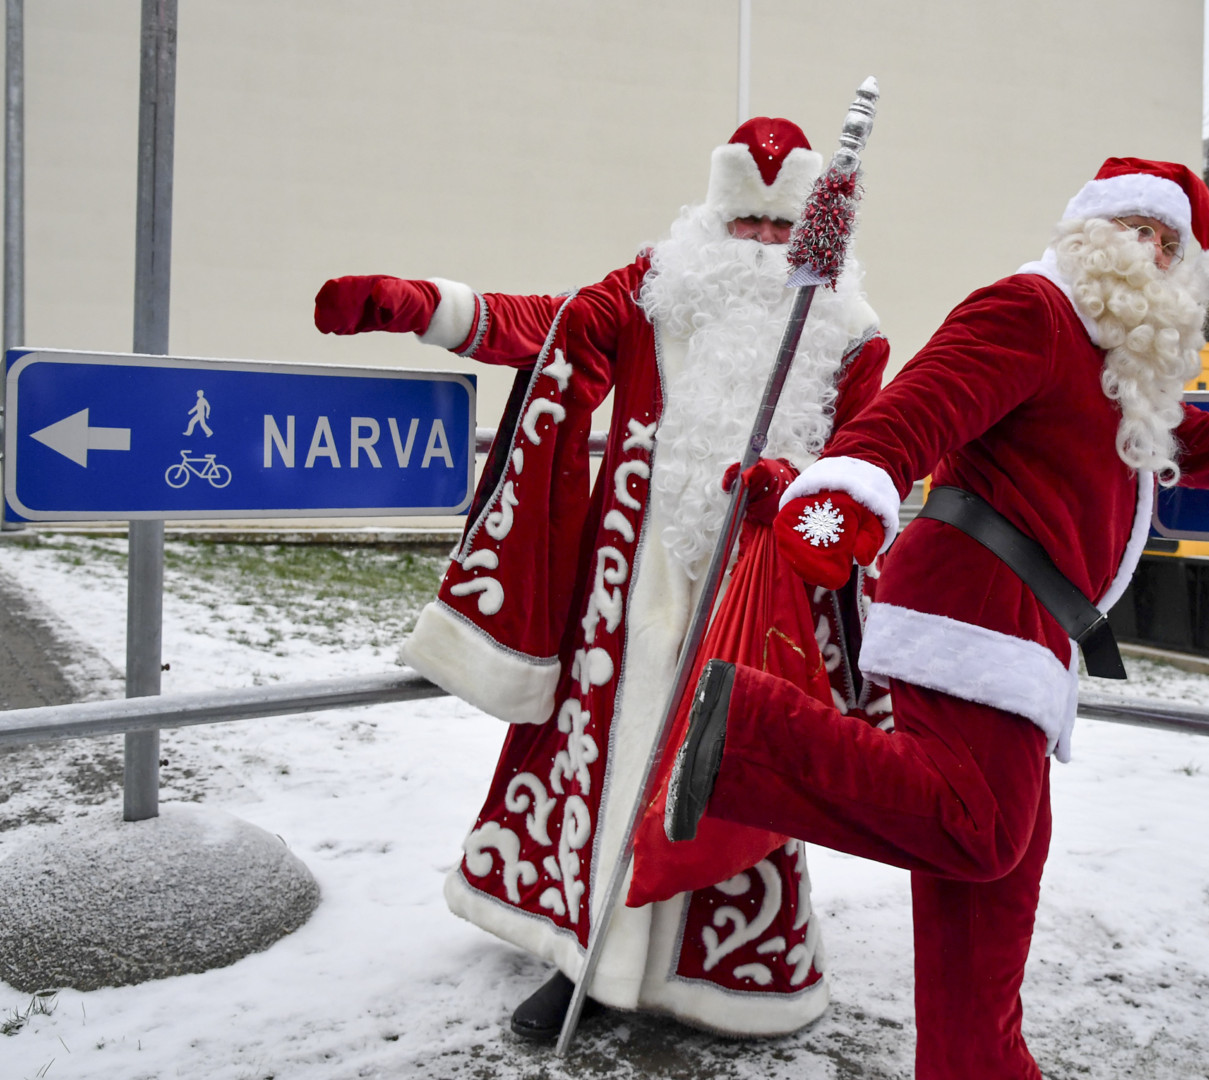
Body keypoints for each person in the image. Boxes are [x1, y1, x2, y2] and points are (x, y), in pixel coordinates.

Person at [664, 158, 1209, 1078]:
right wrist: (856, 480)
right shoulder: (1034, 309)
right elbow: (922, 404)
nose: (1151, 250)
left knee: (998, 880)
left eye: (1171, 243)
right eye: (1138, 227)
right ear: (1091, 229)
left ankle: (977, 1063)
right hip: (972, 608)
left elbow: (1193, 451)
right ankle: (740, 735)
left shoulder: (1110, 361)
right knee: (980, 829)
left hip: (1026, 631)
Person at [312, 118, 890, 1040]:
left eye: (782, 231)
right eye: (745, 225)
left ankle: (715, 975)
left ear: (809, 232)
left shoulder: (849, 334)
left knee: (725, 776)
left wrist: (796, 498)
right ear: (715, 216)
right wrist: (421, 305)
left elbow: (866, 469)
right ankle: (589, 961)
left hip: (761, 601)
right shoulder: (653, 289)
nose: (762, 248)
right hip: (624, 600)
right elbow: (551, 327)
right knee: (606, 769)